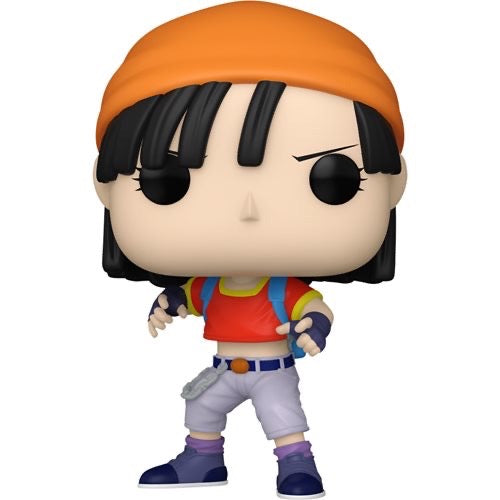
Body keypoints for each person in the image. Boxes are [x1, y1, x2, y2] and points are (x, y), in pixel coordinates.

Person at [93, 2, 406, 498]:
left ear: (394, 185)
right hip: (224, 367)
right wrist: (166, 305)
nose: (249, 210)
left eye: (330, 179)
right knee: (200, 408)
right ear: (104, 186)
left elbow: (315, 309)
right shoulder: (209, 285)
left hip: (270, 370)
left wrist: (313, 328)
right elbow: (187, 298)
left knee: (283, 418)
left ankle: (297, 466)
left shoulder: (282, 290)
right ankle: (203, 461)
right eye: (168, 180)